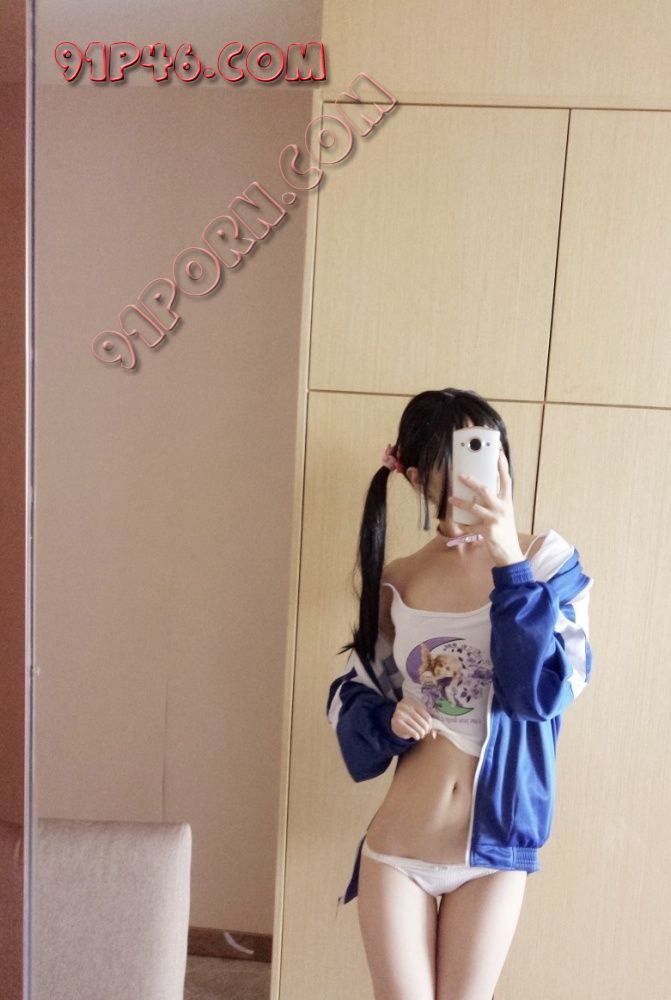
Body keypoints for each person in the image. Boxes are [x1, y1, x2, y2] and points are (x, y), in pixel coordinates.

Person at [325, 387, 594, 1000]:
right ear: (417, 476)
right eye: (463, 453)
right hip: (398, 848)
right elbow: (351, 697)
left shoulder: (549, 564)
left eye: (489, 446)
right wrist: (388, 721)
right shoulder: (397, 580)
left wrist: (509, 562)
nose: (484, 467)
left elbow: (541, 693)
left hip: (493, 853)